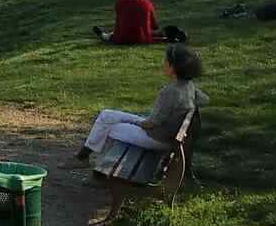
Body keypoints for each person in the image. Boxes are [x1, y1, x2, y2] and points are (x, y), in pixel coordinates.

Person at [75, 42, 208, 166]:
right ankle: (84, 156)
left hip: (156, 138)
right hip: (166, 133)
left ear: (174, 68)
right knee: (106, 115)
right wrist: (187, 107)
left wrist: (135, 122)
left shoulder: (170, 92)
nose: (164, 63)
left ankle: (96, 167)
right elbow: (205, 100)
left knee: (107, 127)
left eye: (166, 61)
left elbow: (151, 123)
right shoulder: (189, 86)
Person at [93, 0, 159, 44]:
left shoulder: (120, 3)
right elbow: (154, 26)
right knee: (152, 33)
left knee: (112, 34)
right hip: (142, 38)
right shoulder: (147, 3)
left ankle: (104, 35)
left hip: (122, 38)